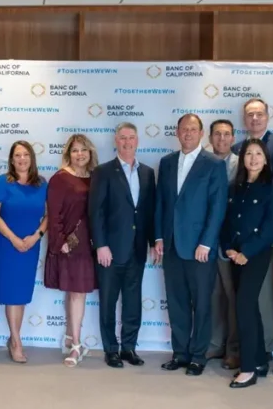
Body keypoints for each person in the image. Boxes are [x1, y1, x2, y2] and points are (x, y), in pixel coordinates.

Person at [154, 113, 227, 376]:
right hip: (172, 246)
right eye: (184, 129)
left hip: (199, 248)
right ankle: (181, 353)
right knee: (177, 303)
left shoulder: (214, 164)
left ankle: (198, 355)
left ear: (201, 134)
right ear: (177, 132)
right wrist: (159, 237)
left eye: (193, 129)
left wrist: (206, 243)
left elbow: (217, 208)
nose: (188, 133)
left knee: (202, 305)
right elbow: (161, 203)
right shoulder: (167, 162)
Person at [232, 98, 273, 359]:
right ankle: (251, 351)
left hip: (265, 239)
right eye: (250, 114)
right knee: (244, 302)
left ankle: (264, 351)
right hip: (239, 244)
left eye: (259, 114)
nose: (255, 118)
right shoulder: (236, 148)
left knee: (263, 299)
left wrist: (250, 248)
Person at [90, 123, 156, 369]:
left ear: (137, 140)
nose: (127, 142)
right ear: (115, 141)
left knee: (132, 301)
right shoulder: (103, 171)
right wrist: (101, 245)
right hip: (110, 249)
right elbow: (95, 212)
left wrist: (153, 241)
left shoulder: (148, 173)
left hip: (137, 249)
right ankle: (111, 349)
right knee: (108, 302)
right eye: (123, 138)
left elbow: (149, 212)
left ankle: (129, 347)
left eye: (131, 137)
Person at [221, 139, 273, 389]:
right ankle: (258, 360)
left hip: (256, 254)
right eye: (249, 154)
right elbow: (226, 221)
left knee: (244, 305)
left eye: (259, 154)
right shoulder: (234, 187)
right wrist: (228, 247)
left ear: (266, 159)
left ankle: (247, 368)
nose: (253, 158)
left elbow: (270, 227)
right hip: (234, 254)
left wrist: (246, 251)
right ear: (242, 158)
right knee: (248, 306)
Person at [0, 141, 48, 363]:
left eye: (25, 155)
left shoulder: (42, 184)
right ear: (11, 160)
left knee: (21, 295)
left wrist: (36, 236)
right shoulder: (2, 183)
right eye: (17, 155)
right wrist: (13, 239)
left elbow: (49, 215)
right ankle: (15, 340)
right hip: (6, 245)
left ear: (32, 158)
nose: (22, 159)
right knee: (12, 294)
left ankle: (14, 338)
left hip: (31, 246)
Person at [45, 134, 98, 367]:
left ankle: (70, 336)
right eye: (75, 150)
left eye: (84, 150)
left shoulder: (96, 177)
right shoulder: (60, 179)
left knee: (79, 293)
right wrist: (60, 242)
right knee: (76, 293)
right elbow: (53, 213)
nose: (80, 155)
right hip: (71, 243)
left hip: (92, 244)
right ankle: (76, 345)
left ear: (90, 153)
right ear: (68, 154)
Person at [205, 119, 241, 370]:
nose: (222, 138)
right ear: (210, 137)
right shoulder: (202, 162)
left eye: (227, 134)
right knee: (212, 296)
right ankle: (214, 344)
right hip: (207, 241)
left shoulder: (242, 163)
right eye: (217, 134)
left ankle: (234, 349)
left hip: (231, 242)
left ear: (233, 137)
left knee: (233, 298)